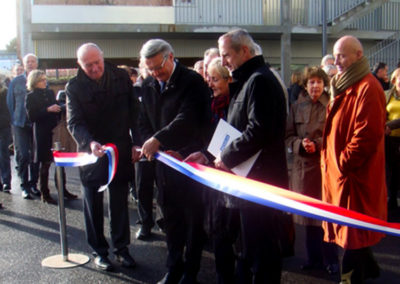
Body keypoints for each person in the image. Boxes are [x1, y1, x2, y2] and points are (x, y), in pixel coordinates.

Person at [215, 28, 289, 283]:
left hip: (260, 182)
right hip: (248, 180)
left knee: (262, 253)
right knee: (249, 250)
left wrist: (226, 156)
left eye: (226, 55)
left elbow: (259, 129)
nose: (223, 62)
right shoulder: (249, 79)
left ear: (244, 51)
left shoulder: (259, 80)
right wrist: (212, 154)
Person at [139, 38, 211, 284]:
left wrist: (158, 139)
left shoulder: (192, 82)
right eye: (150, 69)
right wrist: (147, 142)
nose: (155, 73)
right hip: (162, 163)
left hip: (188, 161)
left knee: (193, 221)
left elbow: (187, 119)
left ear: (170, 57)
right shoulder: (149, 84)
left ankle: (190, 273)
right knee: (171, 220)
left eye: (158, 67)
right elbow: (143, 120)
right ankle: (173, 268)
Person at [66, 43, 140, 271]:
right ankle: (99, 251)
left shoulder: (120, 77)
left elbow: (135, 113)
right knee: (93, 205)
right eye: (88, 65)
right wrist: (90, 142)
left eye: (97, 62)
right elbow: (74, 122)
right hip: (92, 152)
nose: (95, 68)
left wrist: (137, 141)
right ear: (80, 64)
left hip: (119, 149)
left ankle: (121, 249)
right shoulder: (74, 86)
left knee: (119, 202)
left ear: (102, 57)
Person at [321, 35, 387, 283]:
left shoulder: (367, 87)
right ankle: (366, 270)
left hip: (353, 180)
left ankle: (350, 280)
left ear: (359, 55)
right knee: (352, 238)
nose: (336, 61)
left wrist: (342, 164)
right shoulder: (346, 85)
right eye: (335, 55)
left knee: (351, 238)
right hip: (342, 178)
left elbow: (366, 136)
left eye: (342, 55)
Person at [286, 66, 339, 275]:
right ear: (305, 85)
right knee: (309, 217)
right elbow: (288, 135)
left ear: (324, 84)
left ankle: (331, 259)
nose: (315, 86)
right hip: (303, 168)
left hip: (324, 168)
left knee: (326, 216)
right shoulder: (296, 106)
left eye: (318, 82)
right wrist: (300, 144)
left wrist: (316, 144)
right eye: (311, 82)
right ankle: (313, 259)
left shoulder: (332, 106)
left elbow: (335, 135)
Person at [7, 53, 40, 199]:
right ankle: (24, 185)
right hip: (19, 123)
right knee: (23, 155)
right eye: (28, 62)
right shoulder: (15, 82)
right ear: (24, 64)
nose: (31, 64)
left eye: (33, 61)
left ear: (37, 64)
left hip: (36, 123)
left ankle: (33, 184)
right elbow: (10, 103)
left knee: (35, 155)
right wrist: (14, 119)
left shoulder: (41, 80)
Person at [25, 70, 61, 204]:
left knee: (59, 161)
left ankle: (62, 189)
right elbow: (31, 116)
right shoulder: (31, 96)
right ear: (34, 82)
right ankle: (44, 193)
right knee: (45, 163)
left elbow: (56, 106)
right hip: (41, 131)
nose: (45, 82)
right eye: (42, 80)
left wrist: (59, 107)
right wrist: (47, 110)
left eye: (45, 79)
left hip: (54, 129)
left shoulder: (50, 92)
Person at [384, 67, 400, 210]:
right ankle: (391, 205)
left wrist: (389, 125)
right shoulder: (387, 95)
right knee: (390, 174)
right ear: (394, 80)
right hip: (389, 141)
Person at [0, 77, 12, 193]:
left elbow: (7, 111)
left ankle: (6, 181)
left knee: (3, 154)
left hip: (3, 127)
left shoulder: (4, 92)